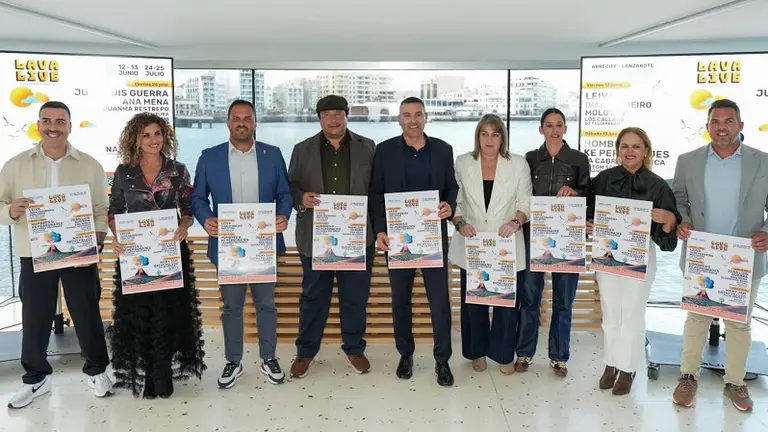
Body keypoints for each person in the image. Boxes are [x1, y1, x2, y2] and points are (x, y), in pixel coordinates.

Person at [0, 101, 114, 409]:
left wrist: (99, 238)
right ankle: (36, 379)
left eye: (60, 121)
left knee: (86, 312)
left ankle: (97, 370)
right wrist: (10, 210)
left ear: (70, 127)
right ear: (38, 125)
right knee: (34, 317)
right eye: (47, 120)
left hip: (79, 252)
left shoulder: (89, 165)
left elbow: (101, 209)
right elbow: (0, 204)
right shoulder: (15, 165)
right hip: (32, 253)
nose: (53, 126)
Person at [671, 99, 768, 412]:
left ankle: (735, 382)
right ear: (707, 126)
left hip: (744, 255)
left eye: (728, 121)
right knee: (697, 316)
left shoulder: (763, 162)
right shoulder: (688, 160)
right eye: (715, 121)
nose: (722, 127)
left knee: (739, 323)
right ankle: (688, 376)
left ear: (740, 125)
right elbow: (679, 199)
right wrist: (682, 219)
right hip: (704, 255)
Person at [191, 99, 292, 389]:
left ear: (255, 122)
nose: (242, 123)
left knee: (266, 305)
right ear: (228, 122)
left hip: (263, 244)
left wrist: (283, 215)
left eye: (247, 118)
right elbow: (198, 198)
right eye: (236, 118)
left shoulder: (272, 155)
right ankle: (233, 361)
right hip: (227, 246)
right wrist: (206, 219)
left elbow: (284, 193)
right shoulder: (209, 157)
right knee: (231, 307)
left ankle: (268, 357)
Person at [107, 112, 206, 399]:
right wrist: (117, 236)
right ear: (135, 140)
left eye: (158, 134)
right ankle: (148, 374)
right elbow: (114, 210)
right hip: (133, 253)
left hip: (169, 252)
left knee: (167, 313)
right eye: (146, 135)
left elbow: (188, 207)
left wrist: (184, 227)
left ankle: (163, 372)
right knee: (140, 314)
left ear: (165, 136)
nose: (153, 140)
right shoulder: (124, 172)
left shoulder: (178, 170)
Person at [369, 96, 459, 386]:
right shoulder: (384, 152)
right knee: (400, 302)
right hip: (397, 241)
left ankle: (442, 359)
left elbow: (451, 188)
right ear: (399, 119)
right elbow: (376, 193)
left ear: (425, 117)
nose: (413, 120)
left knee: (439, 303)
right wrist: (379, 229)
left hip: (433, 239)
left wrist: (449, 205)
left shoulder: (444, 150)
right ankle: (405, 354)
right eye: (406, 115)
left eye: (418, 114)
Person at [585, 127, 681, 395]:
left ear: (646, 151)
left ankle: (627, 369)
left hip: (641, 256)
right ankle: (610, 363)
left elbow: (668, 239)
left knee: (633, 315)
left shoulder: (658, 185)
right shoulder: (603, 179)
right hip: (607, 255)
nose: (629, 151)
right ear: (617, 150)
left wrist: (668, 222)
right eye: (624, 146)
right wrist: (588, 224)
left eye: (636, 146)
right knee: (610, 313)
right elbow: (589, 214)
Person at [287, 95, 376, 377]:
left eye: (338, 114)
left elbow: (378, 188)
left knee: (355, 296)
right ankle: (306, 351)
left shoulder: (368, 147)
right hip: (316, 236)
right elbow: (289, 186)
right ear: (319, 118)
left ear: (347, 115)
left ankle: (354, 347)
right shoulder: (302, 150)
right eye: (327, 115)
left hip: (357, 235)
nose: (333, 120)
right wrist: (301, 197)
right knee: (313, 296)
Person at [449, 114, 531, 374]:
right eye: (484, 134)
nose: (489, 139)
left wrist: (516, 223)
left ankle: (504, 355)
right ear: (477, 137)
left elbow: (525, 203)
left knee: (506, 305)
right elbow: (455, 202)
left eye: (495, 134)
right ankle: (477, 351)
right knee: (474, 303)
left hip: (506, 243)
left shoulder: (518, 164)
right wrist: (460, 223)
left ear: (502, 138)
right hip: (472, 243)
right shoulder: (462, 163)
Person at [517, 107, 591, 377]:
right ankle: (524, 353)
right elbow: (522, 194)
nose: (555, 130)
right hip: (533, 236)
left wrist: (575, 191)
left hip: (567, 239)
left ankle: (559, 357)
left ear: (566, 128)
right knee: (529, 299)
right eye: (549, 125)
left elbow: (588, 194)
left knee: (563, 301)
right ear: (541, 129)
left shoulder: (579, 159)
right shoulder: (529, 159)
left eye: (560, 124)